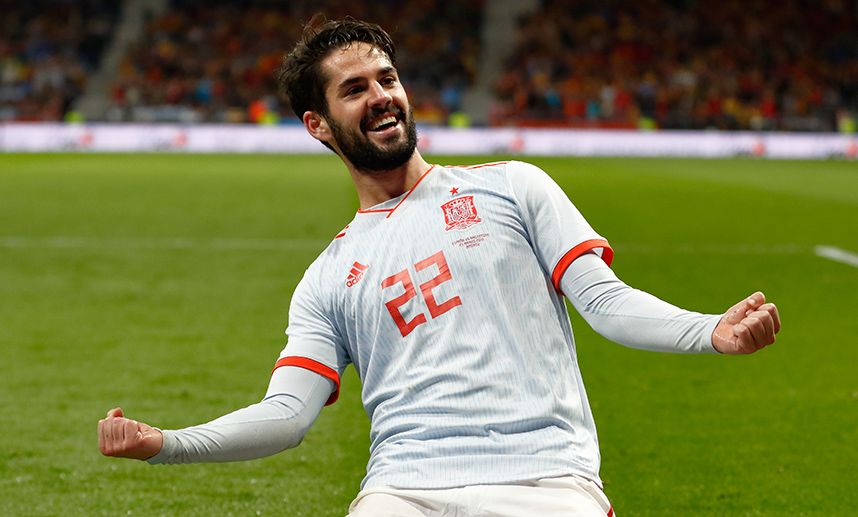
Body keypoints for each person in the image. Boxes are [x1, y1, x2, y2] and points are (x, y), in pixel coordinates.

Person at [97, 18, 780, 516]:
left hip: (543, 480)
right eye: (356, 88)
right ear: (318, 124)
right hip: (403, 490)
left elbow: (604, 301)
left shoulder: (513, 186)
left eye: (388, 78)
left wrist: (708, 330)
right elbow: (287, 415)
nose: (382, 95)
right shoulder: (327, 277)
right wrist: (165, 442)